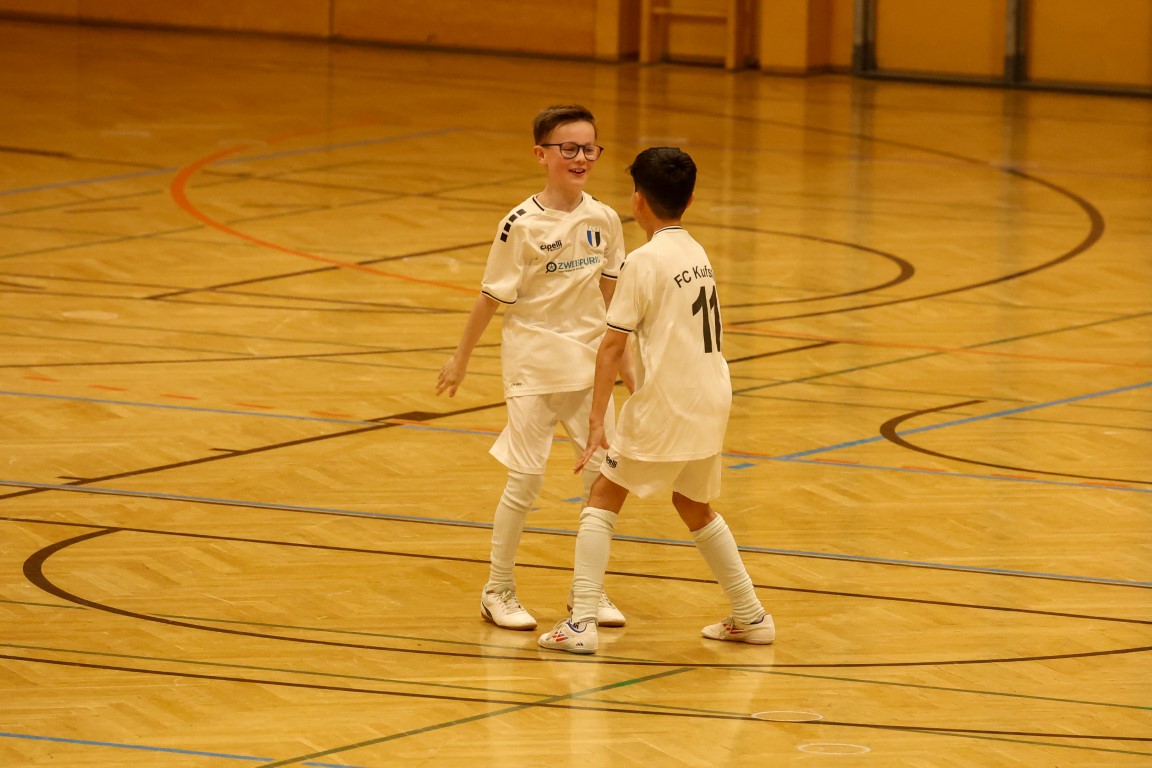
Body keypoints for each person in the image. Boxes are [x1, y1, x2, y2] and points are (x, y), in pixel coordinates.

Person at [538, 147, 775, 655]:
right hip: (712, 395)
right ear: (689, 199)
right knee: (692, 503)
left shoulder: (642, 262)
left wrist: (597, 421)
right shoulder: (696, 252)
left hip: (669, 401)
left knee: (603, 494)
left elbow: (611, 346)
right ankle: (751, 614)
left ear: (638, 200)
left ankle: (580, 623)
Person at [437, 105, 630, 632]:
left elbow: (616, 305)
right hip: (533, 366)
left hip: (589, 369)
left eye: (589, 148)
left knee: (604, 480)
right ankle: (497, 589)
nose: (581, 157)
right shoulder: (518, 225)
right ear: (541, 155)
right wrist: (460, 359)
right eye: (568, 148)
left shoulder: (605, 218)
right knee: (525, 480)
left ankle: (587, 591)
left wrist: (631, 374)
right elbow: (489, 298)